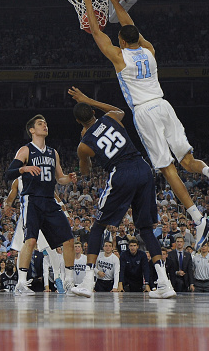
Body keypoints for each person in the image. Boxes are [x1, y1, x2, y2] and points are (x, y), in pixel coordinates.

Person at [79, 0, 209, 250]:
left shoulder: (119, 57)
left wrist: (87, 0)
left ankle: (199, 220)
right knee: (188, 160)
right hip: (164, 105)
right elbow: (131, 25)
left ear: (121, 41)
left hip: (144, 111)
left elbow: (95, 31)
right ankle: (208, 170)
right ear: (136, 38)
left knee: (167, 168)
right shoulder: (150, 51)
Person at [68, 88, 174, 298]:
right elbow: (119, 110)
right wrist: (89, 99)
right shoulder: (112, 118)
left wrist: (85, 153)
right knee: (145, 229)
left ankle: (88, 283)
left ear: (79, 123)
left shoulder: (84, 144)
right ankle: (164, 284)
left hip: (122, 173)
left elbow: (85, 171)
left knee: (98, 225)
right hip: (143, 169)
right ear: (93, 112)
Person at [4, 114, 77, 295]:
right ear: (32, 130)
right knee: (30, 240)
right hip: (32, 200)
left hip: (49, 201)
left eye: (45, 123)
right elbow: (9, 173)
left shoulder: (53, 153)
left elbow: (59, 178)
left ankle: (69, 281)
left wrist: (68, 178)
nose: (44, 126)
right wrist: (24, 168)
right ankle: (21, 283)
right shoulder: (26, 150)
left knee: (68, 240)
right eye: (40, 123)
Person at [4, 176, 66, 293]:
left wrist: (63, 207)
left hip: (42, 217)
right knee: (22, 249)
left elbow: (53, 195)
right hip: (26, 218)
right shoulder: (18, 181)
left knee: (51, 248)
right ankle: (21, 282)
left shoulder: (42, 178)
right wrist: (6, 204)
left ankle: (58, 278)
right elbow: (10, 197)